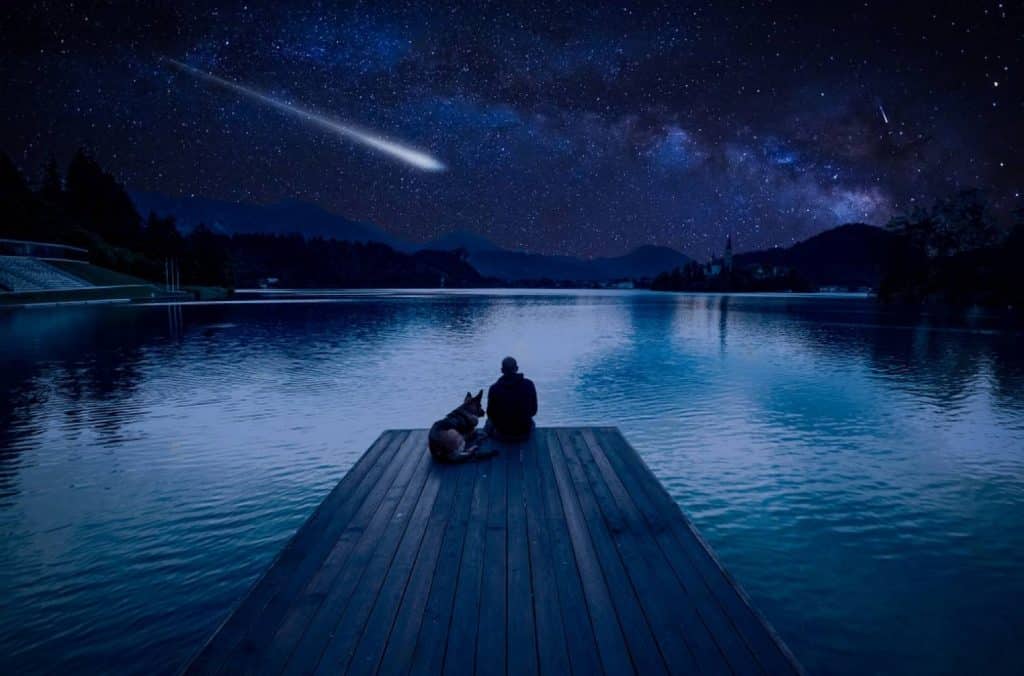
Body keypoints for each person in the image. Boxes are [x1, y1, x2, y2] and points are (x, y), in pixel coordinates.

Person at [485, 356, 537, 440]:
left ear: (502, 370)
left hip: (501, 434)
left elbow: (490, 414)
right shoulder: (529, 384)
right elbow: (533, 411)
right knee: (532, 422)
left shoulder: (494, 388)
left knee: (488, 422)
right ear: (517, 368)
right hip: (524, 433)